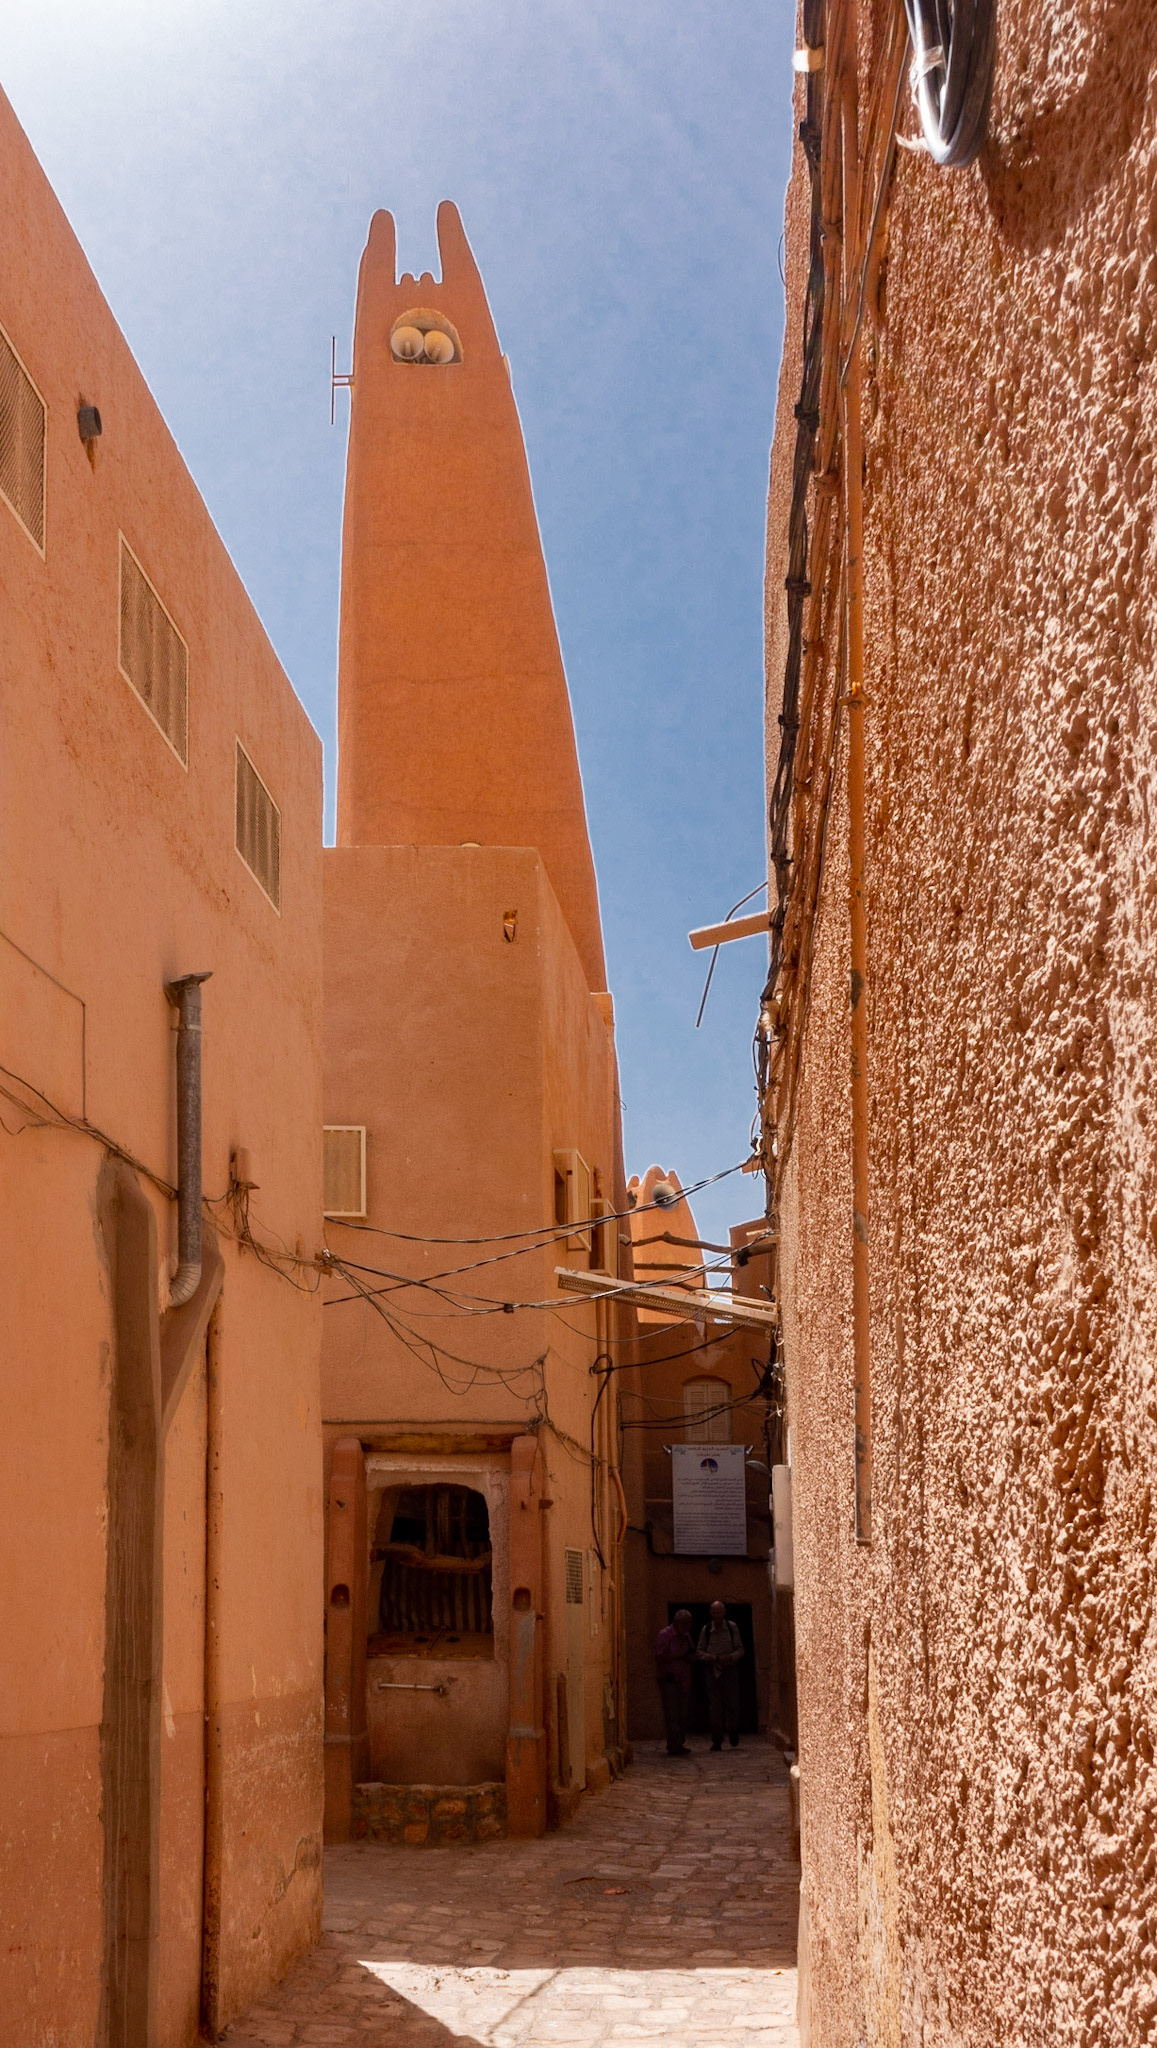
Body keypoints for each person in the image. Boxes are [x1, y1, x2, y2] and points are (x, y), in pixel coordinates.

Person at [697, 1599, 744, 1750]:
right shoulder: (706, 1630)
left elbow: (740, 1650)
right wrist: (711, 1658)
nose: (716, 1615)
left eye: (718, 1612)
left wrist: (729, 1657)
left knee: (732, 1704)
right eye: (714, 1613)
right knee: (715, 1707)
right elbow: (699, 1651)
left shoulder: (731, 1627)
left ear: (724, 1613)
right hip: (712, 1672)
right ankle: (717, 1739)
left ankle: (733, 1731)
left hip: (730, 1671)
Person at [654, 1608, 696, 1756]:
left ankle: (679, 1742)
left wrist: (688, 1657)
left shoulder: (686, 1636)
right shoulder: (665, 1635)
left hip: (683, 1679)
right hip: (669, 1679)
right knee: (672, 1713)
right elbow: (659, 1658)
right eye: (684, 1623)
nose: (687, 1626)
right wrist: (679, 1654)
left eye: (689, 1623)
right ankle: (673, 1745)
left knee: (683, 1713)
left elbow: (690, 1653)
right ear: (677, 1622)